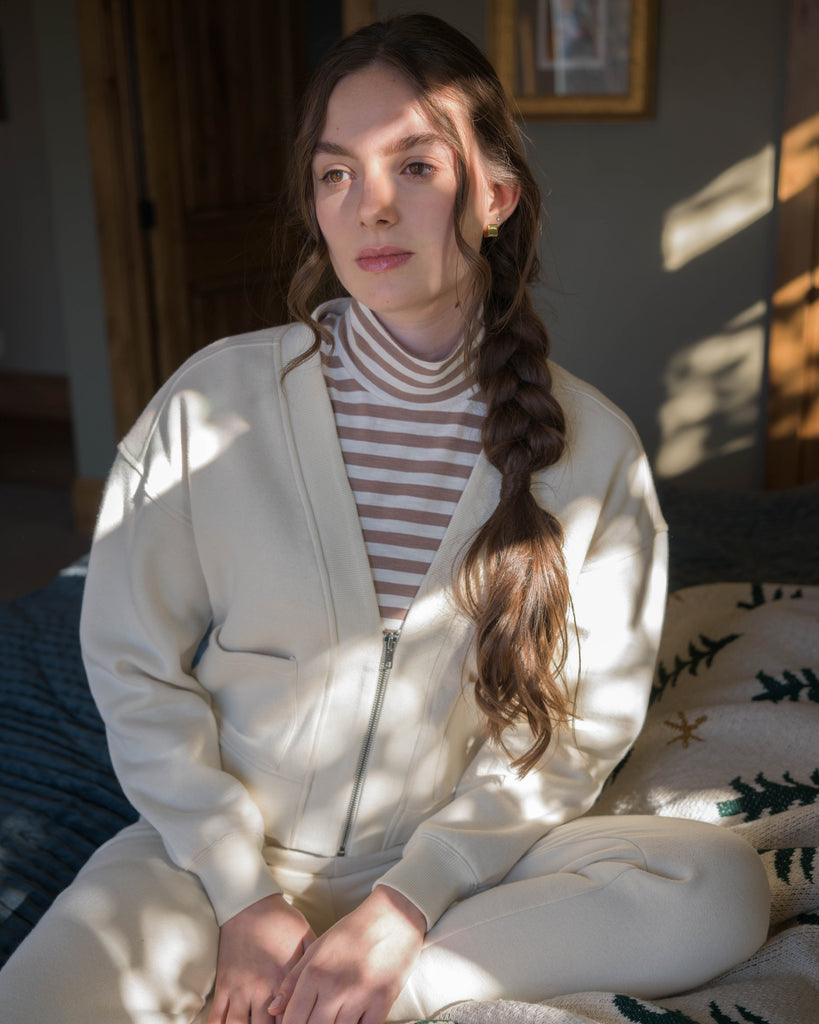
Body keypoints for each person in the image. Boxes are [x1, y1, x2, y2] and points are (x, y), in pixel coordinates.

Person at [0, 14, 769, 1024]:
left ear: (494, 194)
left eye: (413, 165)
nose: (369, 207)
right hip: (212, 871)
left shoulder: (596, 450)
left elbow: (577, 731)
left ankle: (376, 996)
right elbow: (132, 663)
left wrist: (408, 905)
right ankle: (317, 980)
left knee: (717, 889)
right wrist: (244, 896)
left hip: (457, 878)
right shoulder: (211, 406)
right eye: (335, 173)